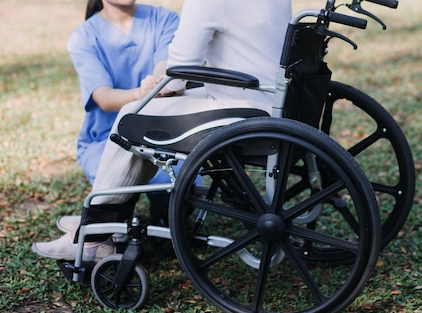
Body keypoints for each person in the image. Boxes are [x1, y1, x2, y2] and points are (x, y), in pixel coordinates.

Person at [32, 0, 293, 261]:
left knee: (132, 115)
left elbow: (179, 70)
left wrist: (157, 88)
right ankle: (98, 224)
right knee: (144, 115)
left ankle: (93, 235)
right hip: (272, 102)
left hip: (241, 109)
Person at [31, 0, 179, 261]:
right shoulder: (84, 37)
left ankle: (98, 227)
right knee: (118, 179)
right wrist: (141, 94)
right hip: (106, 138)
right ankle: (99, 234)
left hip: (164, 136)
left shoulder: (164, 19)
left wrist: (157, 83)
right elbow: (103, 97)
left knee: (174, 211)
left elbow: (165, 65)